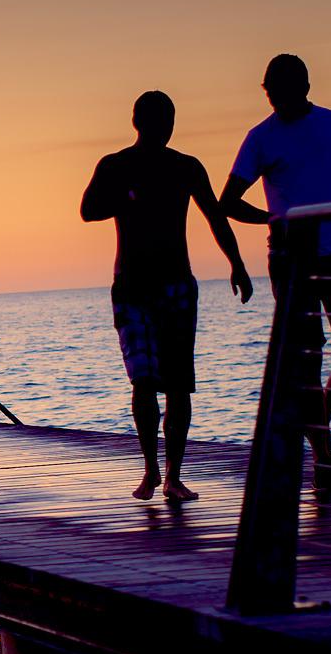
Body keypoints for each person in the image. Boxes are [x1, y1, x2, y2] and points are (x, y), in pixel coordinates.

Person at [220, 54, 331, 497]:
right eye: (268, 89)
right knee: (308, 360)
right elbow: (228, 200)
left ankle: (315, 422)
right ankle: (324, 456)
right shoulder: (260, 138)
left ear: (304, 86)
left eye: (279, 88)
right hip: (291, 257)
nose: (272, 96)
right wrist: (275, 218)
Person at [82, 90, 252, 500]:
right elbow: (88, 209)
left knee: (178, 384)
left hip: (176, 284)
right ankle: (151, 470)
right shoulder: (116, 165)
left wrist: (238, 263)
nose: (164, 127)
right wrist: (127, 197)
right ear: (139, 122)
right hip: (133, 287)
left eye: (168, 120)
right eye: (158, 120)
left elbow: (215, 216)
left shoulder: (186, 167)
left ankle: (173, 475)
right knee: (143, 380)